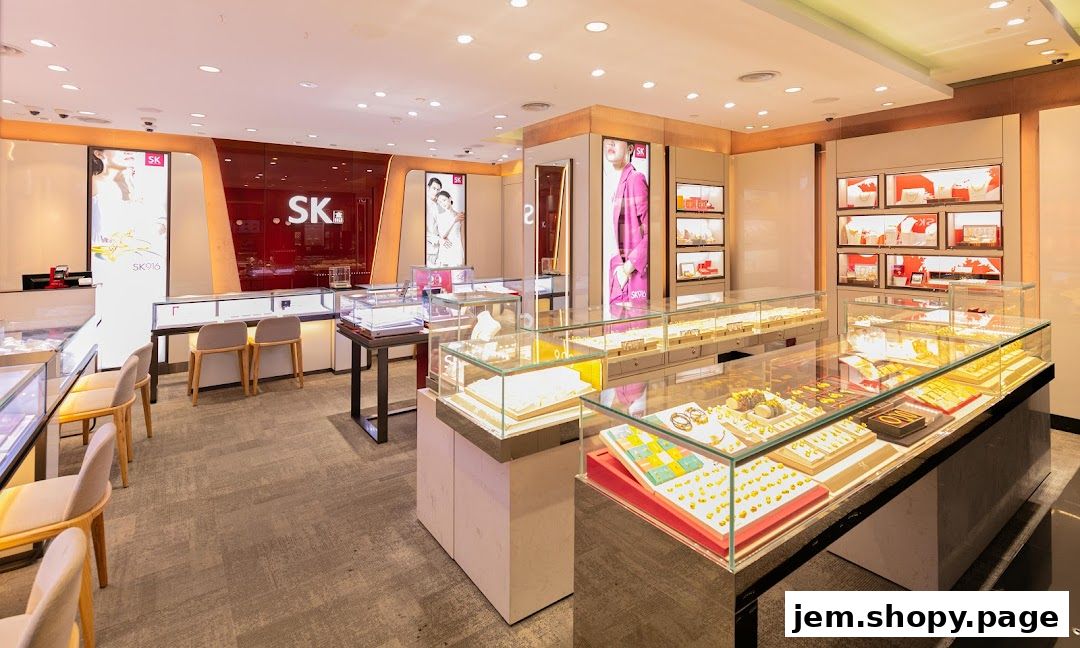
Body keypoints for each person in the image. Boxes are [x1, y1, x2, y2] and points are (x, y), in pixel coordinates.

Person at [604, 138, 649, 303]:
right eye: (608, 141)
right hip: (615, 269)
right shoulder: (609, 183)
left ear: (630, 149)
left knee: (631, 326)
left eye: (616, 141)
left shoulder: (635, 179)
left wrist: (627, 268)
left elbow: (652, 232)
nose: (610, 144)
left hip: (629, 272)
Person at [429, 190, 465, 266]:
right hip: (446, 249)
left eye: (444, 200)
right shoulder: (440, 217)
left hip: (457, 249)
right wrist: (454, 220)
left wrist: (463, 252)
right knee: (445, 275)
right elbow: (442, 235)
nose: (442, 204)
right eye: (440, 202)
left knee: (458, 275)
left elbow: (462, 236)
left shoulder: (460, 215)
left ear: (450, 199)